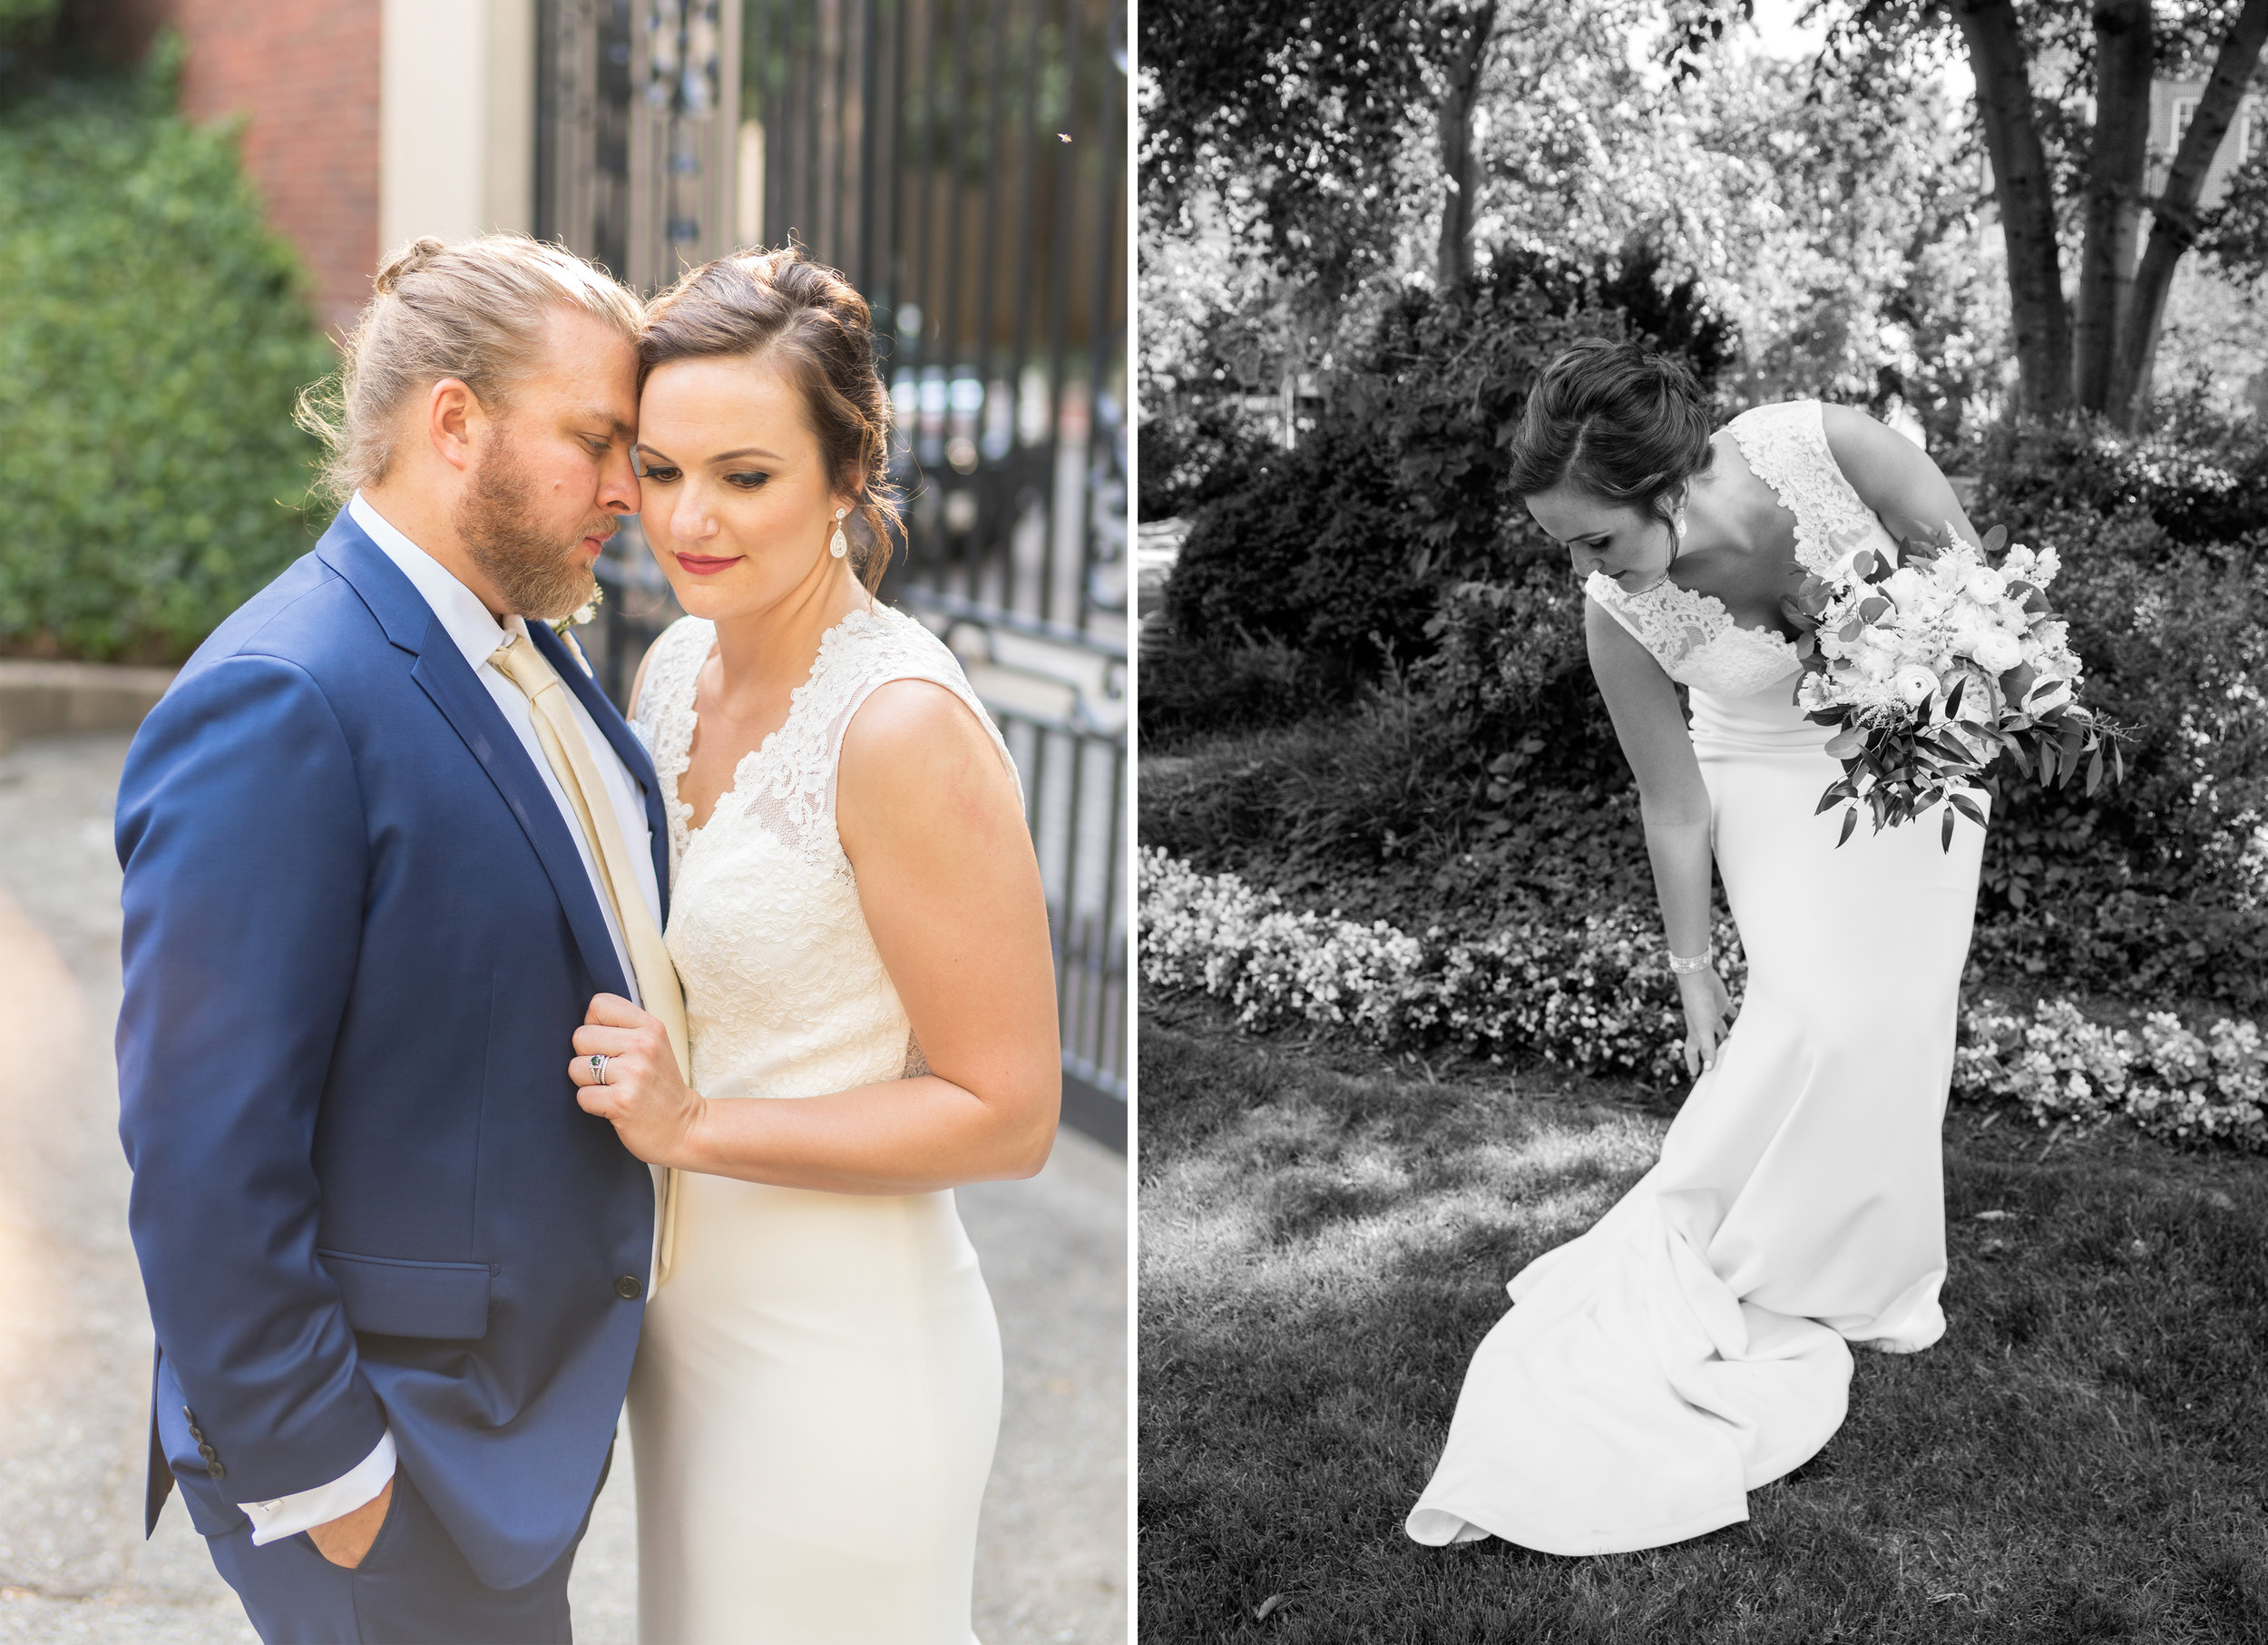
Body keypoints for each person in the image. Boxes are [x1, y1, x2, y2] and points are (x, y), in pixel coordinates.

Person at [116, 233, 662, 1640]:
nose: (626, 488)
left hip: (505, 1444)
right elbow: (201, 1146)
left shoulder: (528, 647)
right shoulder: (284, 696)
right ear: (454, 421)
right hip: (386, 1471)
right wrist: (331, 1474)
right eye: (596, 439)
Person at [1406, 338, 1988, 1556]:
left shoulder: (1832, 449)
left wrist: (1942, 699)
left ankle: (1870, 1268)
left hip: (1928, 773)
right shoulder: (1622, 607)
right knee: (1819, 1013)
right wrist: (1693, 975)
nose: (1584, 565)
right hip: (1768, 782)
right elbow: (1673, 801)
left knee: (1896, 1021)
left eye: (1596, 537)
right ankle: (1752, 1240)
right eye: (1568, 544)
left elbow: (1979, 608)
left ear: (1665, 486)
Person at [566, 246, 1062, 1642]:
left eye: (745, 473)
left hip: (845, 1359)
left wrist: (694, 1125)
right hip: (690, 1340)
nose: (689, 519)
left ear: (849, 475)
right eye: (658, 471)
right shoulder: (671, 669)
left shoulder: (901, 728)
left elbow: (1009, 1113)